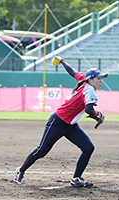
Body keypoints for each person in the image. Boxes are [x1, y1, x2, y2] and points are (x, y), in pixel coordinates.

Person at [14, 56, 108, 187]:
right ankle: (20, 170)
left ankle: (76, 178)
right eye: (98, 78)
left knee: (88, 148)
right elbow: (89, 109)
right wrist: (98, 115)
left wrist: (62, 60)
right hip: (57, 122)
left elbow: (72, 71)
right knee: (42, 151)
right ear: (90, 79)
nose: (101, 81)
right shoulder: (90, 90)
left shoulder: (83, 80)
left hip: (71, 125)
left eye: (101, 78)